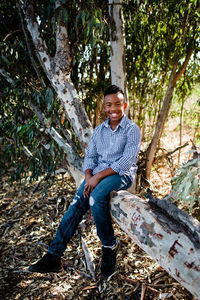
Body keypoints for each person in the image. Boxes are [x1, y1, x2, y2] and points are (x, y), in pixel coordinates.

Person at [29, 85, 141, 277]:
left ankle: (109, 246)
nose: (113, 108)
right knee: (75, 205)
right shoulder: (99, 130)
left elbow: (126, 161)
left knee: (96, 197)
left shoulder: (132, 129)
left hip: (121, 175)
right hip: (96, 174)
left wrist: (97, 177)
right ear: (104, 107)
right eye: (108, 105)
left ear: (125, 105)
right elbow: (90, 156)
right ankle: (53, 256)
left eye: (117, 104)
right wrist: (89, 175)